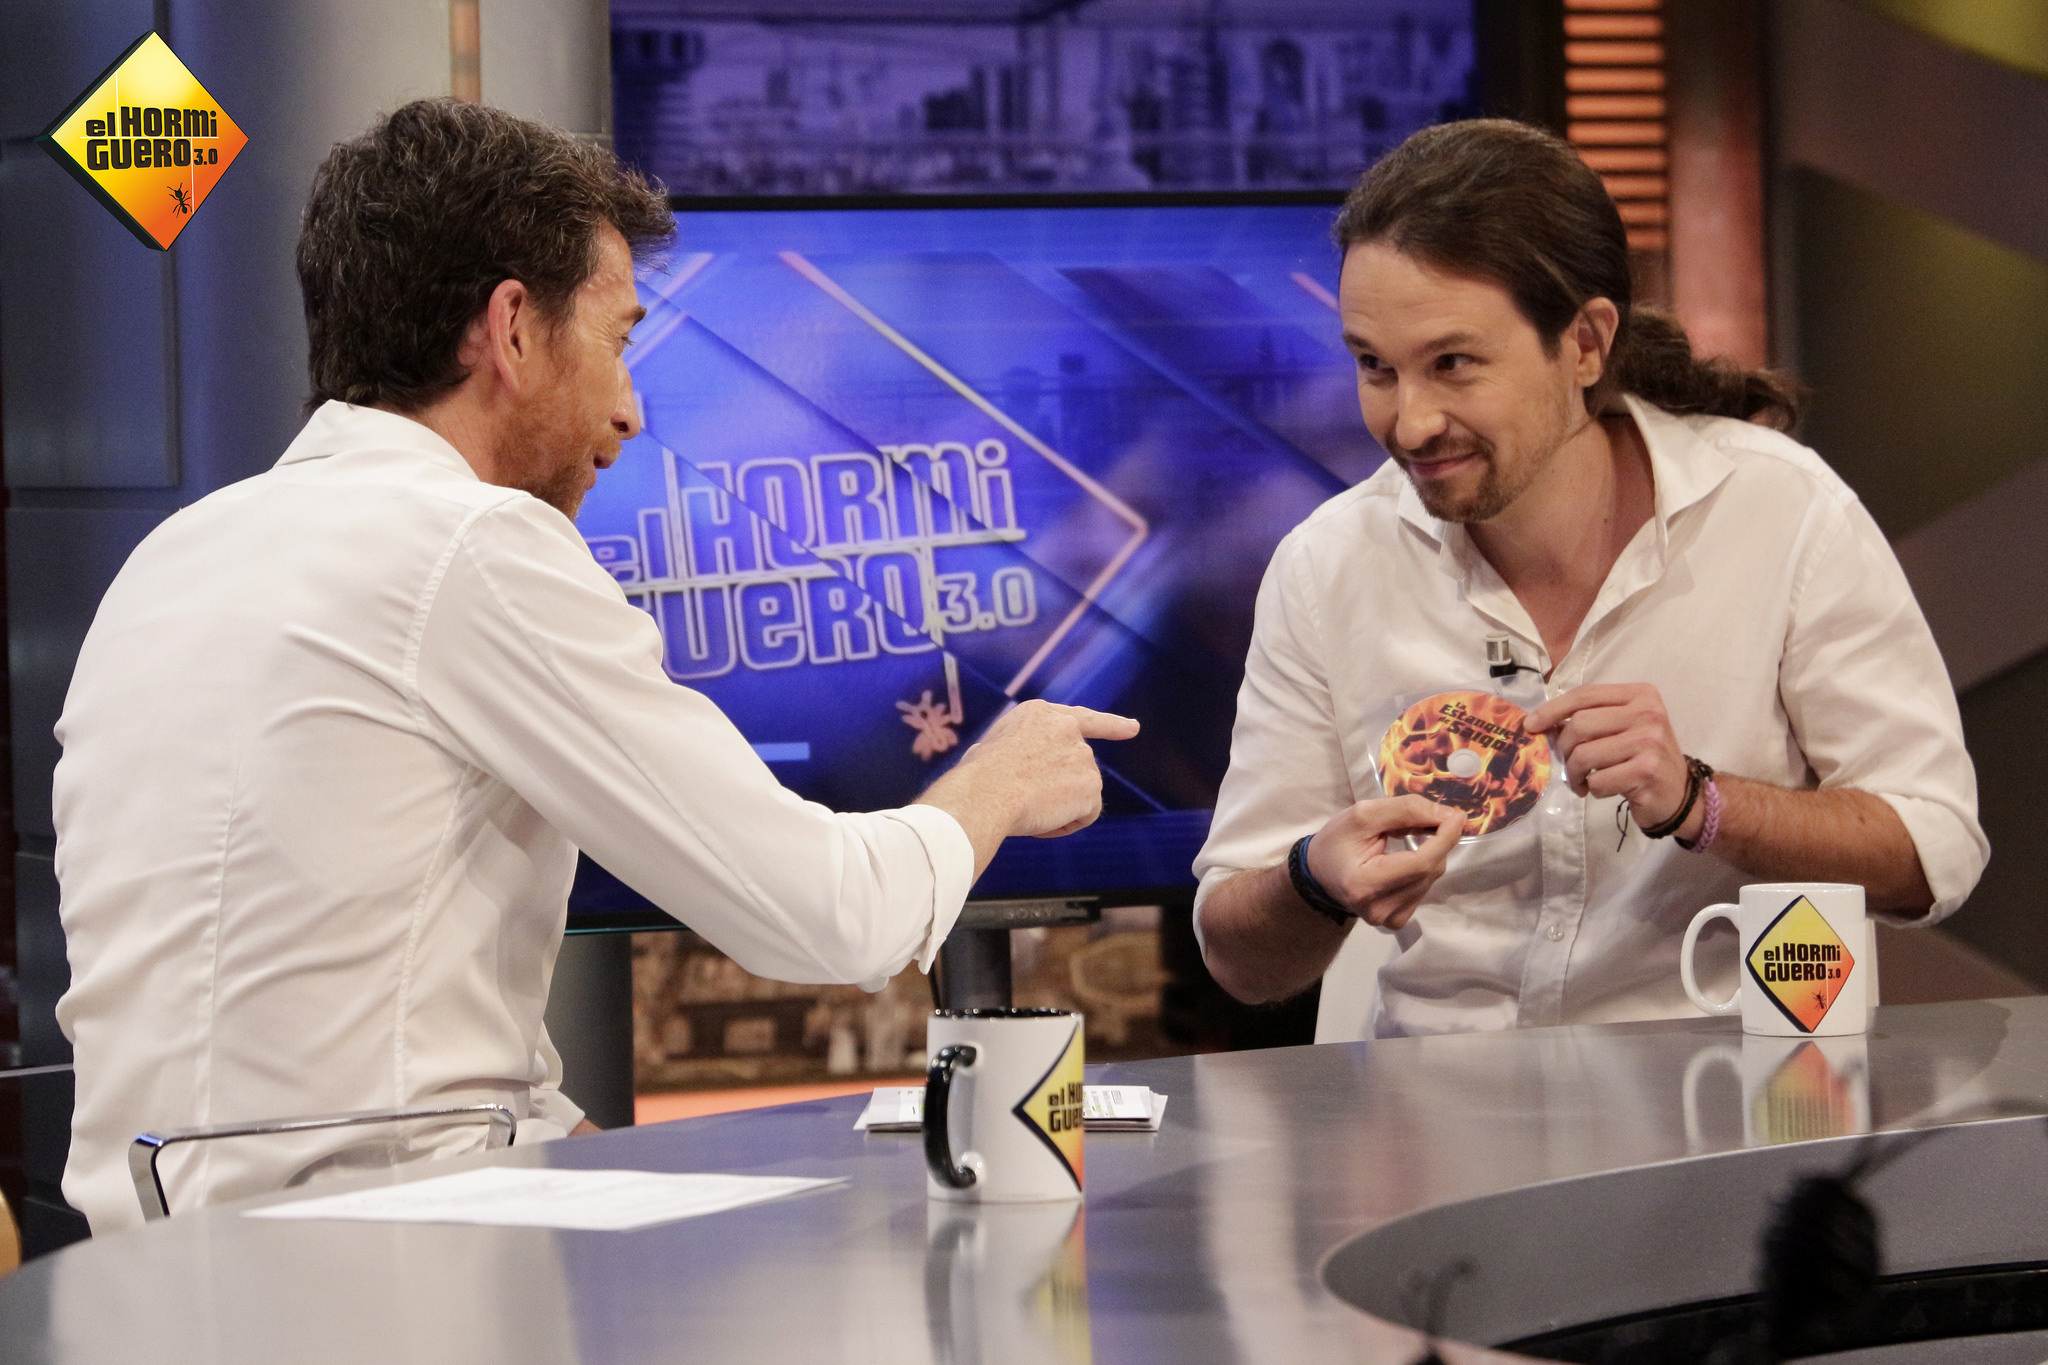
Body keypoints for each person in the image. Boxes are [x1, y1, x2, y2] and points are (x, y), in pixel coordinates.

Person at [53, 99, 1136, 1232]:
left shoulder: (172, 555)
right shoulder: (473, 545)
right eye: (618, 342)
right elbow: (829, 914)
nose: (629, 411)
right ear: (512, 328)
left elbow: (360, 1022)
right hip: (377, 1266)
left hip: (144, 1264)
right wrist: (1000, 778)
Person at [1193, 119, 1984, 1039]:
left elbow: (1934, 850)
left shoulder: (1780, 511)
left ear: (1585, 343)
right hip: (1438, 1106)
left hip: (1723, 1097)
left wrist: (1702, 802)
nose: (1410, 423)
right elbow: (1239, 962)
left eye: (1453, 364)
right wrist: (1311, 880)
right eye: (1375, 367)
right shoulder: (1326, 567)